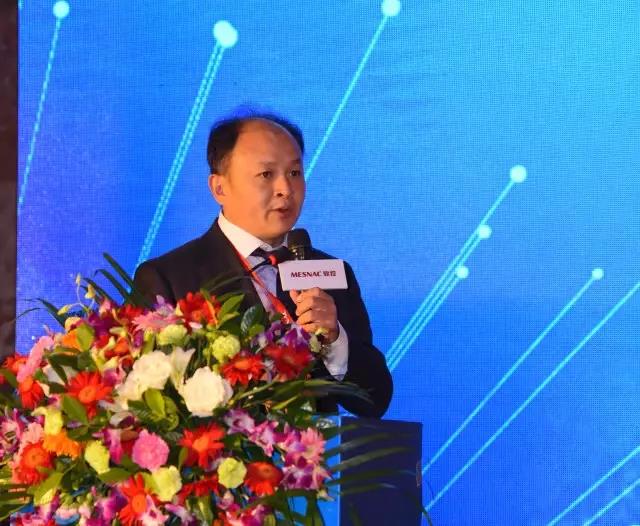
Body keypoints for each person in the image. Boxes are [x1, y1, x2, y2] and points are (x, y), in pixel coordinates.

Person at [133, 111, 392, 417]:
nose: (285, 189)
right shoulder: (168, 278)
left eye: (294, 173)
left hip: (314, 447)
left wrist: (334, 340)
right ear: (219, 188)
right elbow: (148, 403)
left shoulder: (331, 272)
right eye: (267, 174)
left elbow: (374, 400)